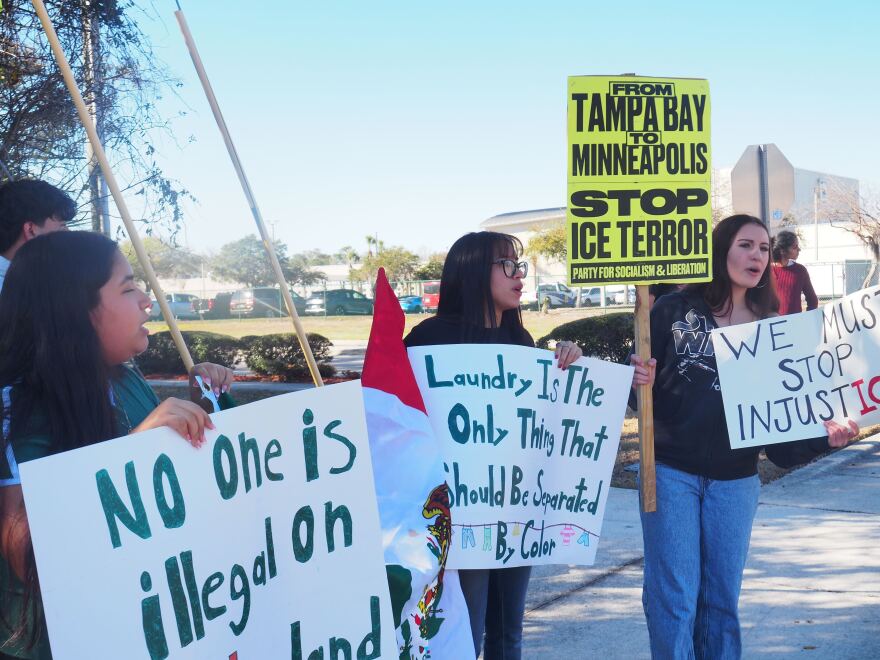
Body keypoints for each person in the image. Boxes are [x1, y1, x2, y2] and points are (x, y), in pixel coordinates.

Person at [630, 214, 858, 659]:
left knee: (721, 601)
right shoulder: (673, 310)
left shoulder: (772, 328)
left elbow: (781, 445)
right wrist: (638, 378)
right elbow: (635, 393)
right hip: (669, 474)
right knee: (674, 597)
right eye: (746, 245)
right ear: (721, 251)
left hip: (735, 483)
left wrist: (824, 437)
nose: (758, 256)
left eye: (764, 248)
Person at [0, 231, 233, 659]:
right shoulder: (18, 406)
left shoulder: (125, 378)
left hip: (142, 621)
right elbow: (25, 558)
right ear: (74, 308)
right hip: (58, 641)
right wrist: (132, 452)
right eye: (128, 289)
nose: (146, 301)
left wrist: (203, 402)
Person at [404, 231, 582, 660]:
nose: (519, 275)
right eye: (507, 264)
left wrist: (567, 359)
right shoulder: (427, 339)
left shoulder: (520, 341)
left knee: (508, 632)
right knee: (465, 633)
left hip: (516, 511)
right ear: (472, 272)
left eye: (518, 265)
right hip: (460, 515)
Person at [0, 180, 76, 291]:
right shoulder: (12, 290)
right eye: (62, 226)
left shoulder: (25, 283)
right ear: (31, 230)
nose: (68, 233)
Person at [771, 230, 818, 315]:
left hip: (795, 322)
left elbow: (812, 300)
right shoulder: (766, 272)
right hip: (771, 322)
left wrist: (807, 319)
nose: (799, 249)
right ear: (782, 250)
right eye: (795, 247)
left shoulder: (800, 271)